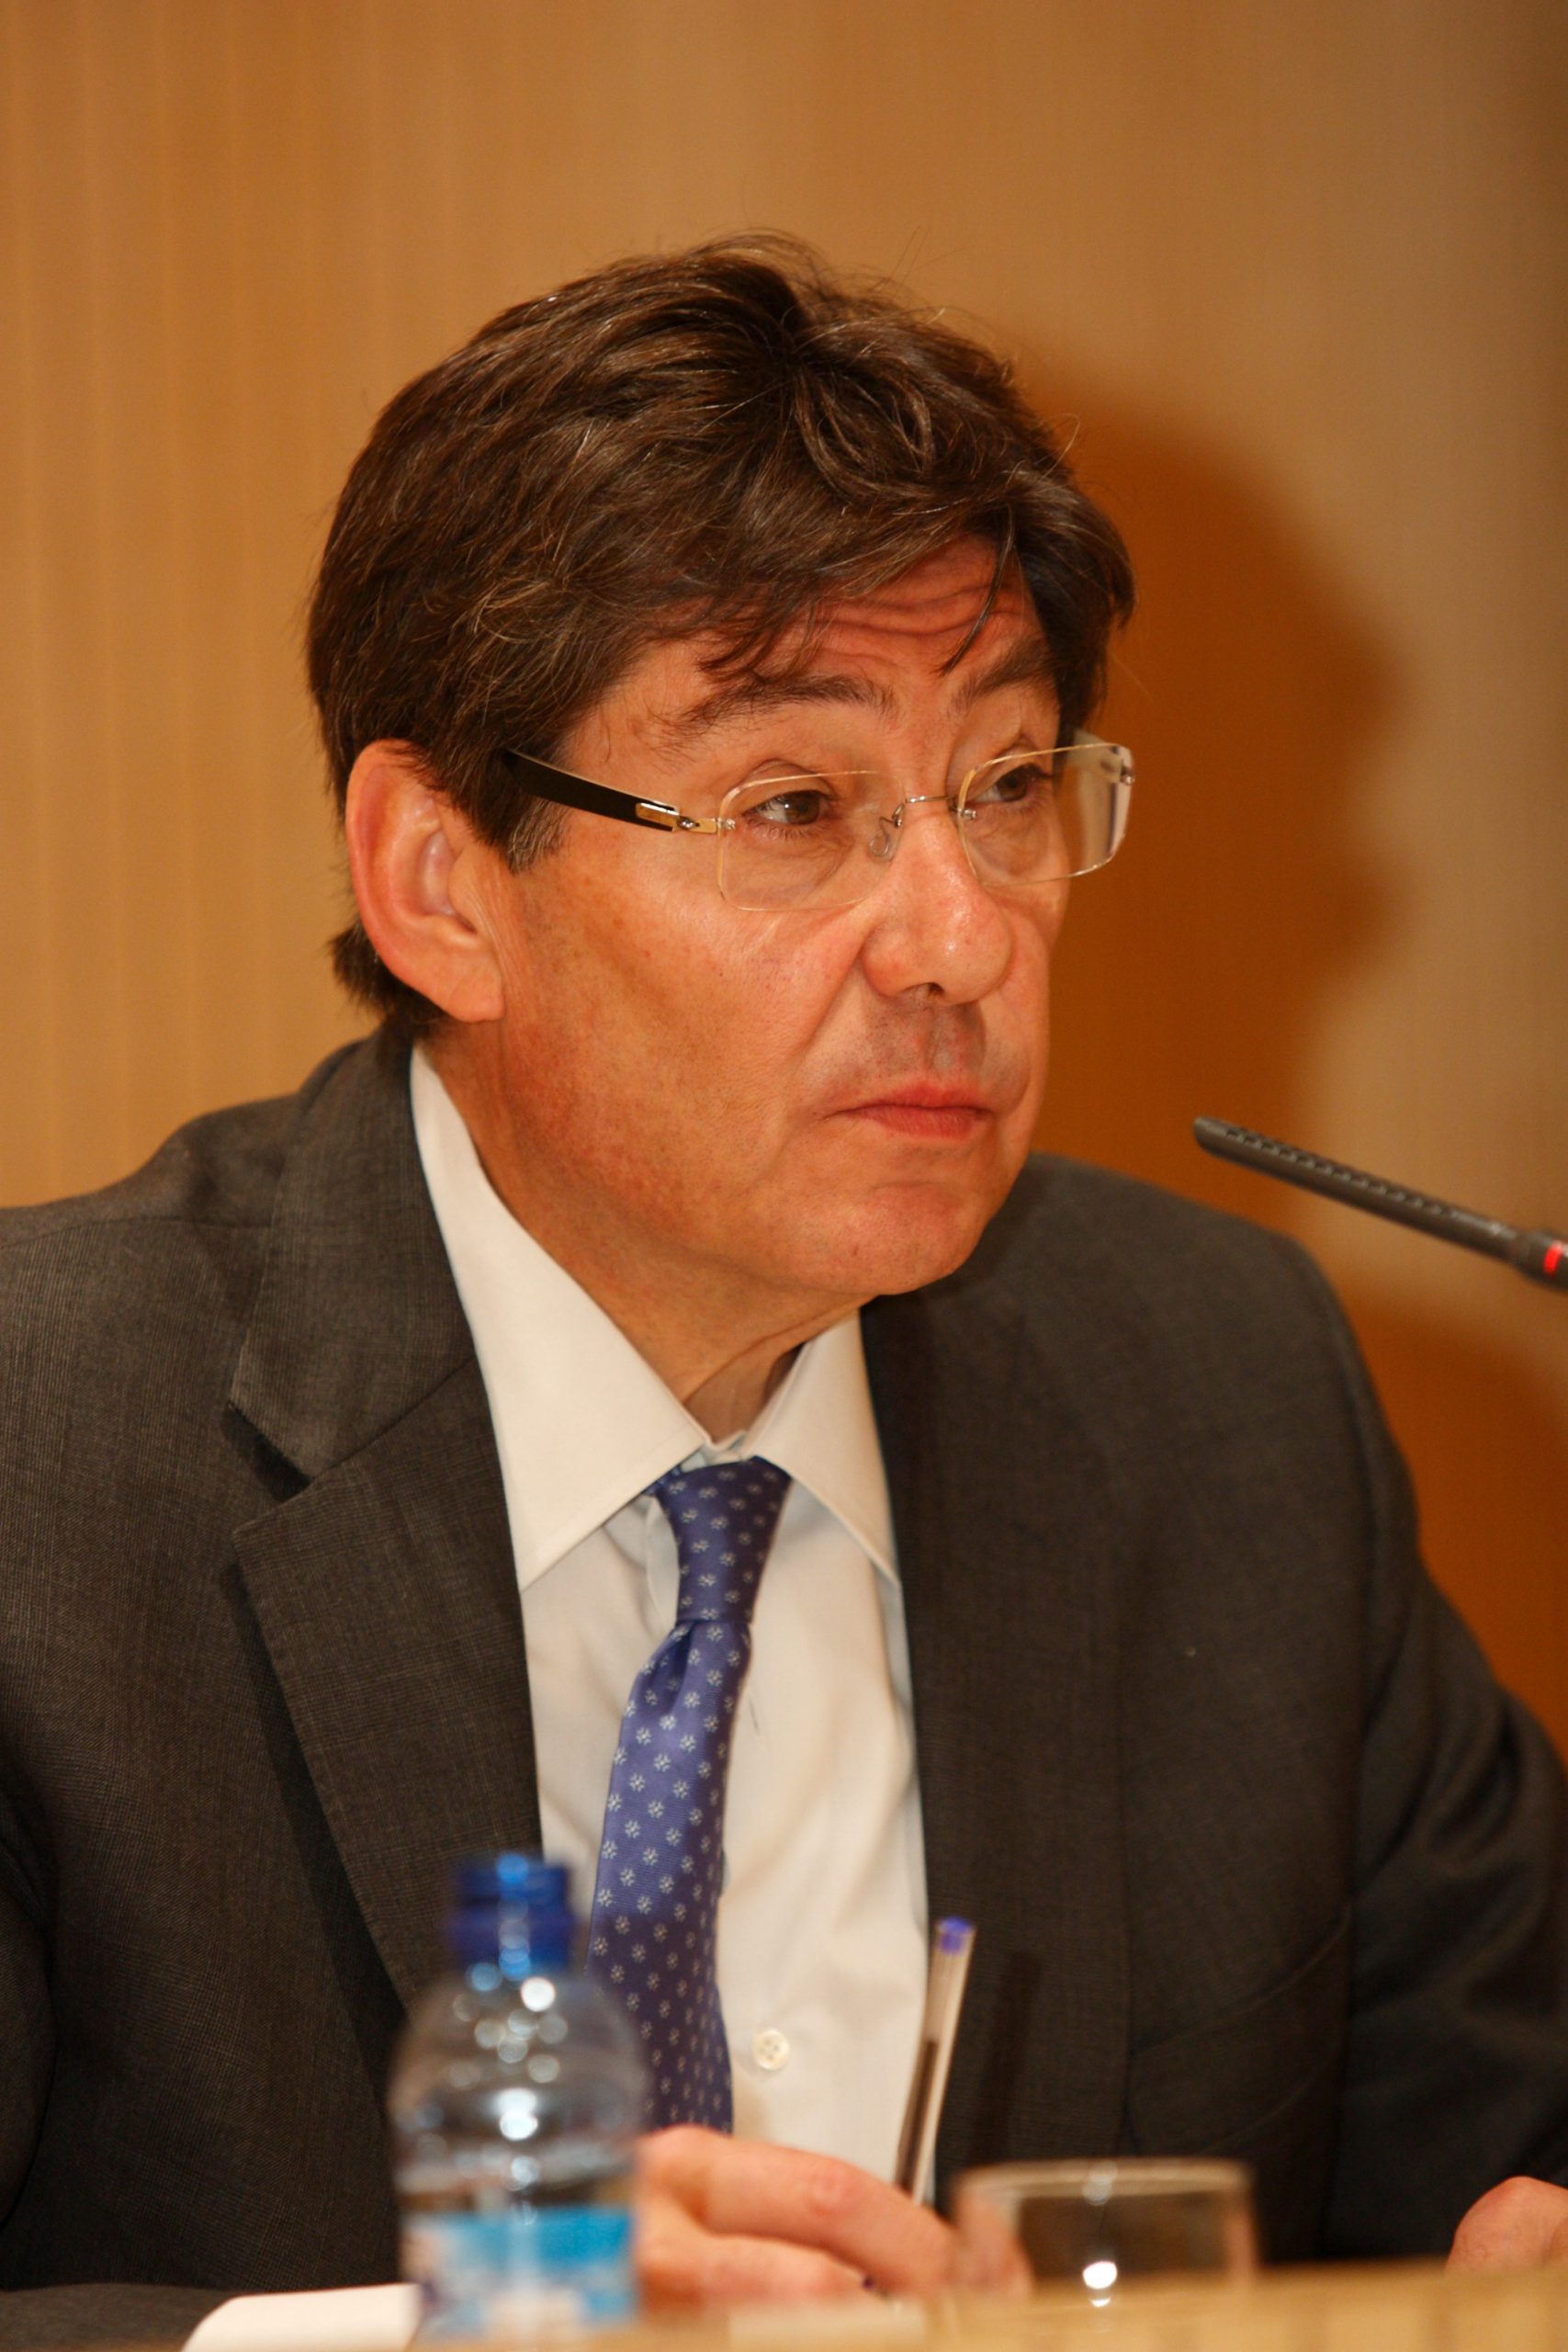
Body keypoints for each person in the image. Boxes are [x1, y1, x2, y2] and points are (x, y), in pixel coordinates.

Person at [3, 236, 1568, 2349]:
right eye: (792, 807)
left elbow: (1501, 2140)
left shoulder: (1220, 1393)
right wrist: (454, 2332)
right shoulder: (43, 1456)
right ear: (441, 879)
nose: (958, 936)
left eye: (1006, 785)